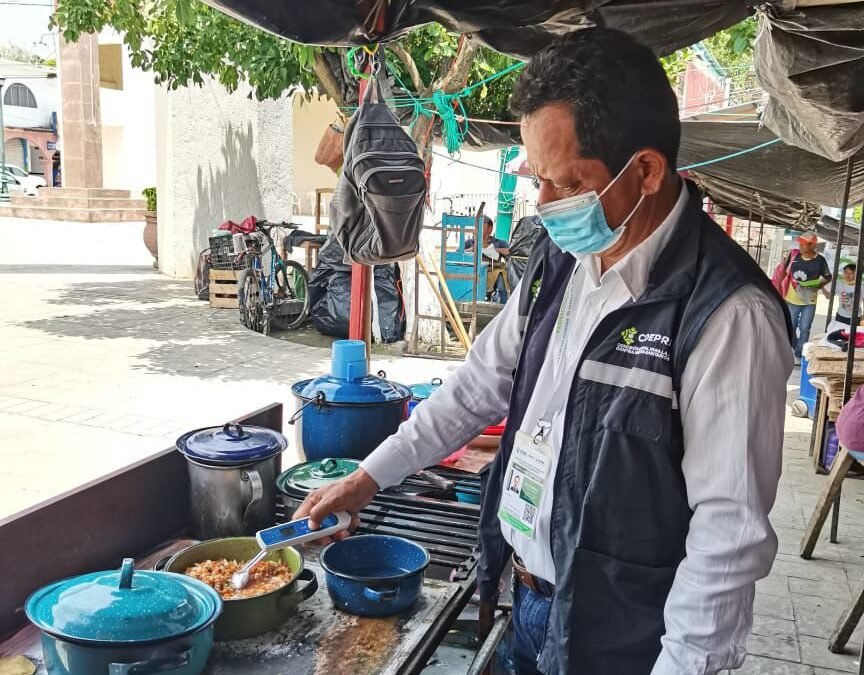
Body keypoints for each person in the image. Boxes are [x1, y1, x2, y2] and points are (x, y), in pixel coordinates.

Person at [295, 28, 793, 675]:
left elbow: (727, 538)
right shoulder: (560, 261)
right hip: (526, 601)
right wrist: (366, 478)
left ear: (644, 171)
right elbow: (476, 387)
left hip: (624, 644)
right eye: (539, 178)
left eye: (565, 182)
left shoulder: (727, 315)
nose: (544, 204)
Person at [785, 232, 831, 365]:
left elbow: (828, 276)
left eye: (803, 243)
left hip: (810, 300)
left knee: (805, 327)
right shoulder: (794, 255)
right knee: (791, 326)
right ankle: (795, 345)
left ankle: (799, 353)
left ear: (812, 245)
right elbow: (784, 272)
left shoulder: (820, 260)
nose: (800, 245)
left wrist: (818, 285)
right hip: (792, 299)